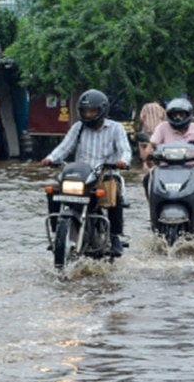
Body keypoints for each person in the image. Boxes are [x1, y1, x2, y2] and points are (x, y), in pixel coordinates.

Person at [40, 89, 131, 256]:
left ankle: (115, 235)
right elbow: (64, 147)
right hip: (80, 175)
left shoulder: (115, 128)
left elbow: (125, 150)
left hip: (106, 174)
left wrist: (123, 162)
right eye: (85, 111)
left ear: (102, 110)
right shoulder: (78, 127)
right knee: (53, 192)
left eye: (92, 111)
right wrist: (50, 158)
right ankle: (57, 233)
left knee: (114, 195)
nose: (88, 115)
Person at [141, 97, 194, 219]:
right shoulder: (162, 127)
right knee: (147, 179)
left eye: (181, 115)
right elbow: (152, 144)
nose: (178, 118)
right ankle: (154, 209)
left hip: (192, 168)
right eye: (175, 115)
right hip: (165, 169)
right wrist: (147, 153)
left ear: (188, 115)